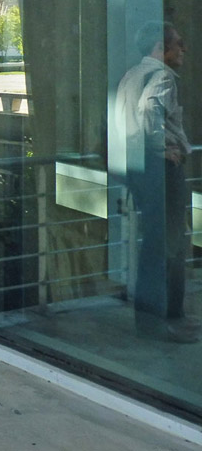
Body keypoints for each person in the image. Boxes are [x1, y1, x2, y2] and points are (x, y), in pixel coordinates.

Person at [116, 21, 196, 343]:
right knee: (167, 245)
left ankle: (162, 318)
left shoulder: (132, 75)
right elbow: (150, 111)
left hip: (141, 169)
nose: (183, 49)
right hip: (161, 168)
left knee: (156, 244)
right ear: (160, 48)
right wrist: (162, 147)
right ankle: (162, 322)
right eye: (178, 43)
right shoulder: (162, 76)